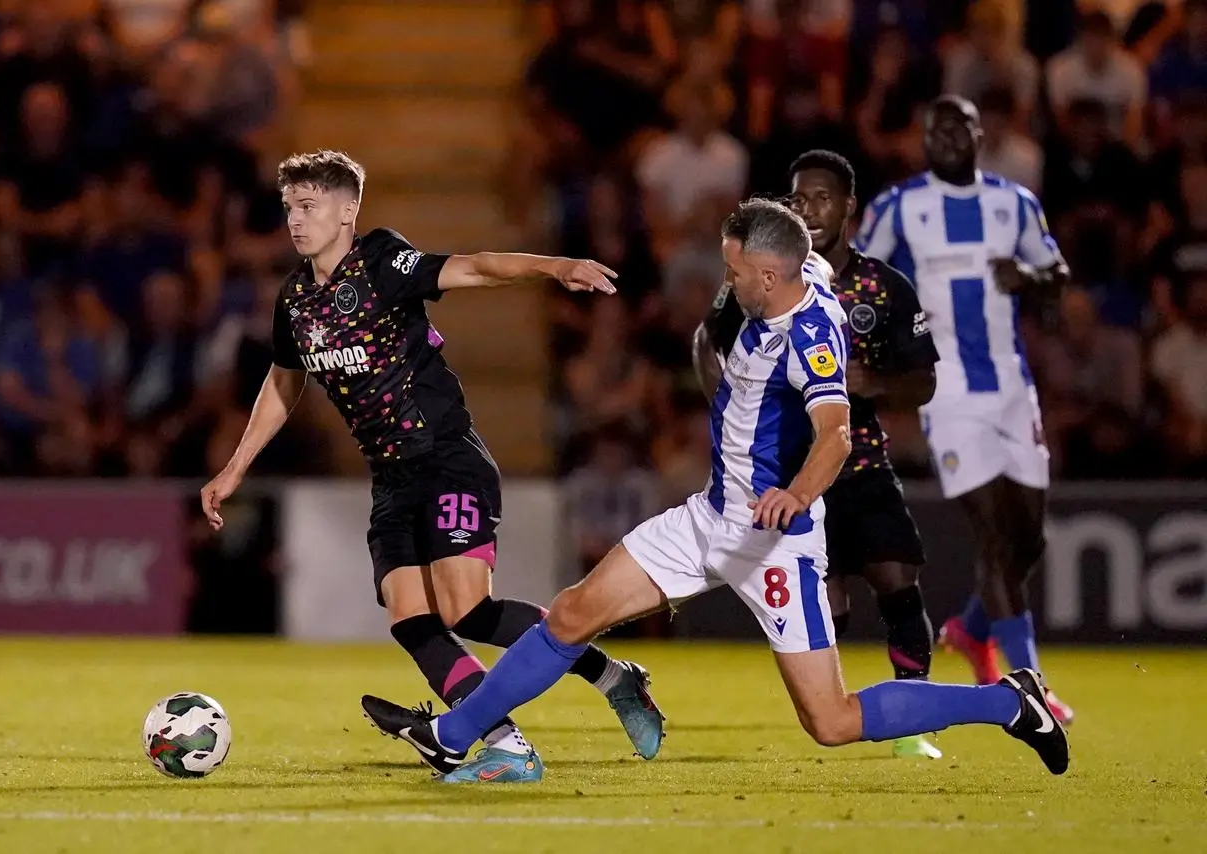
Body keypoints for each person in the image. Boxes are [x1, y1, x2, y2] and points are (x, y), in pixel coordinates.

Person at [361, 198, 1070, 782]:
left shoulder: (811, 336)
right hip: (709, 519)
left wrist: (796, 493)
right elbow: (803, 255)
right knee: (574, 611)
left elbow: (837, 434)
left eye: (736, 271)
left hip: (774, 545)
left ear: (768, 275)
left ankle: (1007, 705)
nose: (727, 283)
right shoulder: (792, 285)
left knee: (832, 721)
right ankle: (454, 735)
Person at [199, 150, 665, 783]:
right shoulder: (295, 303)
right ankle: (506, 744)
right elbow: (284, 385)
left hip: (446, 457)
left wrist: (555, 266)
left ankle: (613, 676)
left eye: (309, 206)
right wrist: (234, 468)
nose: (295, 220)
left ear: (347, 211)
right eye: (289, 207)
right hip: (390, 478)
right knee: (410, 619)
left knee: (467, 609)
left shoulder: (383, 262)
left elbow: (470, 266)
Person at [693, 150, 943, 760]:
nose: (810, 208)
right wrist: (732, 409)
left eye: (823, 198)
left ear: (848, 206)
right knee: (825, 600)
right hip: (787, 475)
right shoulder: (761, 276)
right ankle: (841, 703)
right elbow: (707, 340)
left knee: (896, 578)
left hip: (857, 464)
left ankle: (912, 715)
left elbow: (924, 381)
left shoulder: (883, 286)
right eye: (799, 199)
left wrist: (873, 385)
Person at [854, 96, 1075, 725]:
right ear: (922, 139)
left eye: (959, 126)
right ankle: (1030, 681)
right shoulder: (900, 205)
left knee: (1029, 538)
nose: (947, 136)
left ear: (981, 135)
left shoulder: (1015, 203)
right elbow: (858, 275)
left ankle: (974, 632)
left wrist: (1030, 281)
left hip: (1011, 386)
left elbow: (1056, 267)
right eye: (934, 128)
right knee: (994, 537)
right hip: (944, 393)